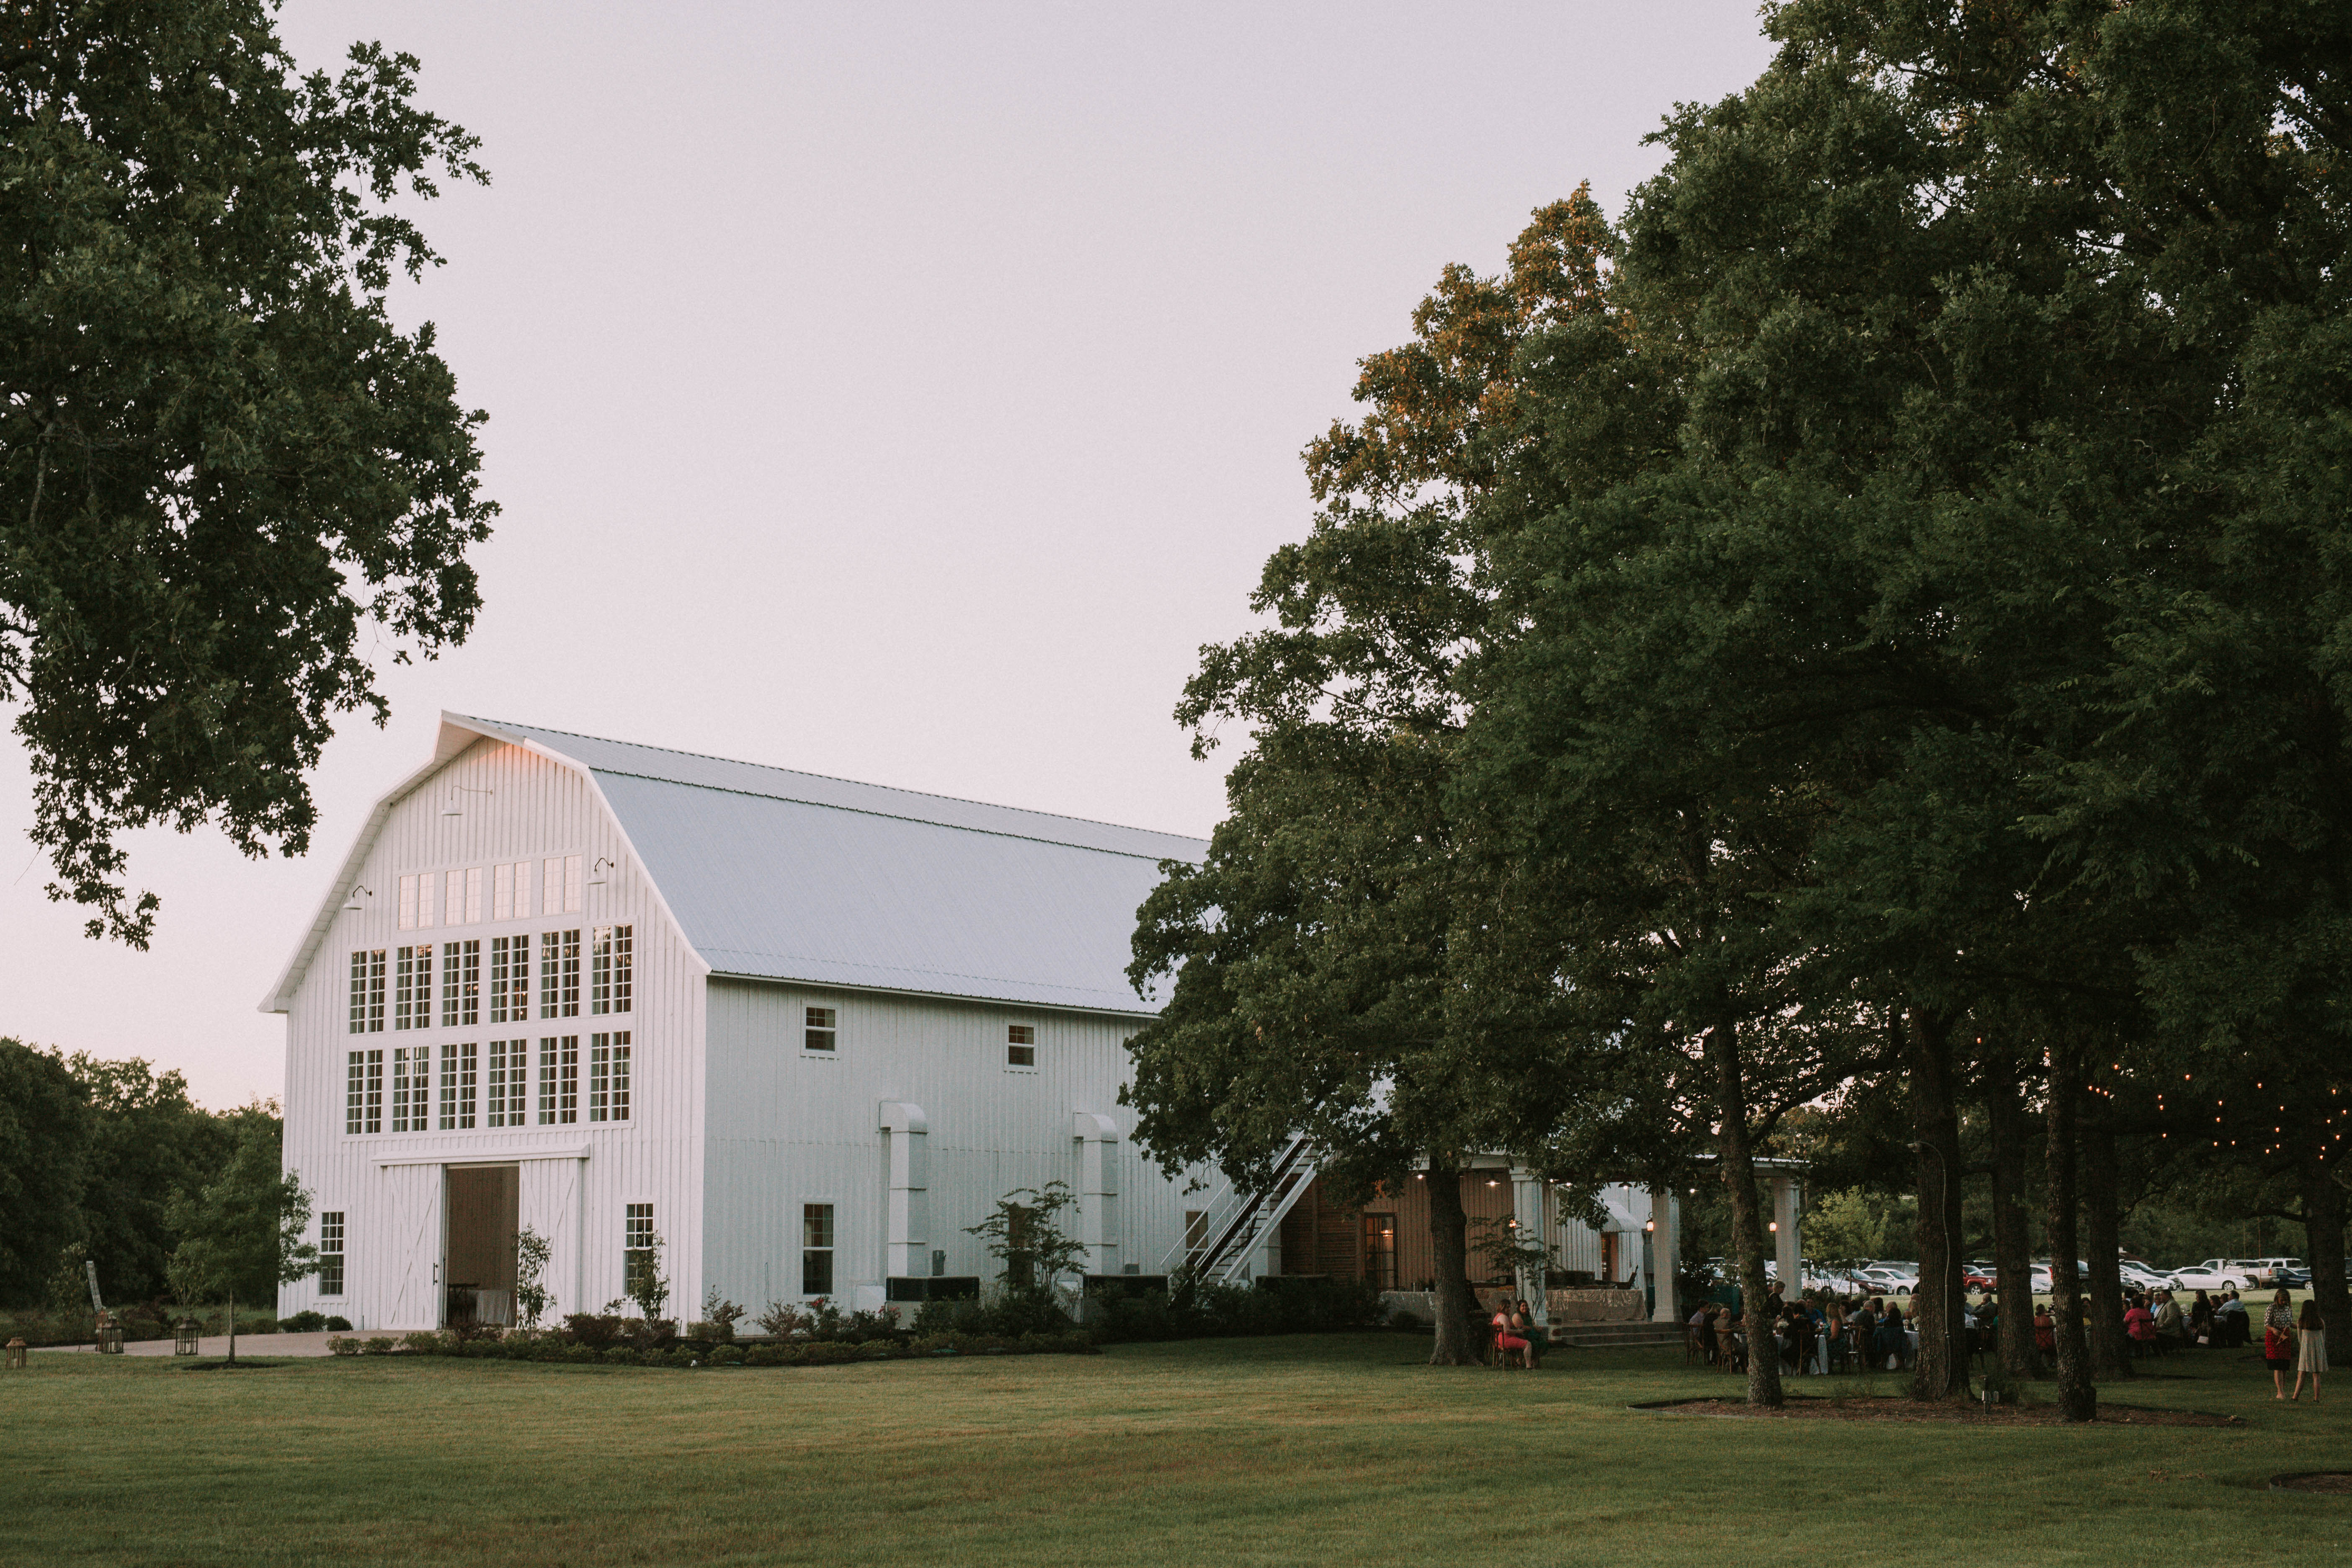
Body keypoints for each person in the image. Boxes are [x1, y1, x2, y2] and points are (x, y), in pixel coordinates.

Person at [2264, 1288, 2298, 1399]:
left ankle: (2282, 1391)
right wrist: (2274, 1330)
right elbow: (2267, 1324)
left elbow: (2290, 1323)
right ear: (2277, 1298)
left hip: (2285, 1336)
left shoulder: (2288, 1308)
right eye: (2282, 1300)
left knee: (2284, 1366)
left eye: (2286, 1300)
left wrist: (2300, 1327)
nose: (2284, 1302)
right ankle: (2280, 1392)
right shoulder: (2271, 1307)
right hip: (2274, 1337)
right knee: (2277, 1365)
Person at [2294, 1299, 2326, 1402]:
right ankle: (2317, 1399)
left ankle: (2295, 1397)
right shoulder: (2320, 1322)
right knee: (2316, 1375)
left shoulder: (2301, 1322)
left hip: (2306, 1350)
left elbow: (2300, 1339)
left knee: (2302, 1374)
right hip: (2318, 1350)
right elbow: (2323, 1337)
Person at [1491, 1304, 1531, 1370]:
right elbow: (1507, 1331)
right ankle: (1529, 1366)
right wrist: (1518, 1332)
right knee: (1528, 1344)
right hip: (1505, 1341)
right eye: (1508, 1308)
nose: (1509, 1309)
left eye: (1510, 1307)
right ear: (1502, 1308)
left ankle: (1517, 1363)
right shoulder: (1503, 1317)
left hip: (1498, 1341)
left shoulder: (1498, 1316)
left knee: (1523, 1341)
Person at [2124, 1294, 2157, 1358]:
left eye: (2131, 1303)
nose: (2130, 1305)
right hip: (2149, 1334)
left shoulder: (2132, 1312)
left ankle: (2131, 1354)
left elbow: (2124, 1322)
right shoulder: (2147, 1312)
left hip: (2137, 1334)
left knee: (2126, 1336)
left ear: (2134, 1304)